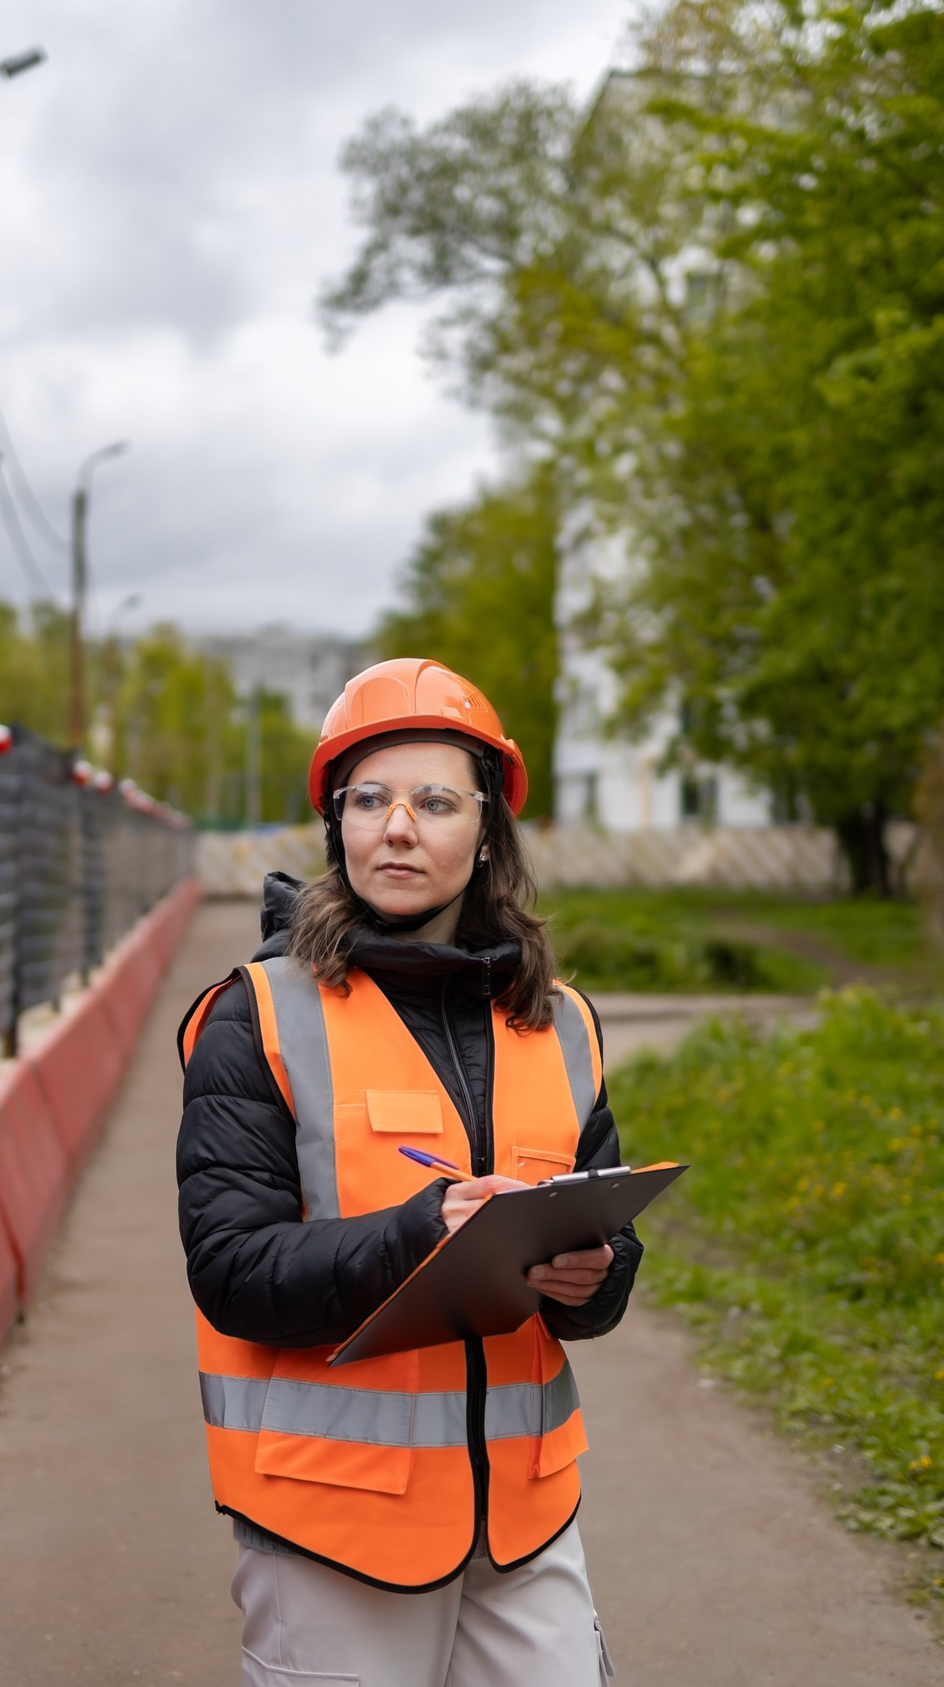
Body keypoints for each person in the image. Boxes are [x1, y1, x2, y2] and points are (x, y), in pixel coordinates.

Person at [176, 658, 641, 1687]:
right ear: (337, 826)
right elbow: (231, 1268)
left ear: (487, 834)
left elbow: (604, 1259)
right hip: (334, 1526)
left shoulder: (561, 1022)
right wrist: (421, 1233)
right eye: (370, 800)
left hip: (522, 1519)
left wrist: (594, 1277)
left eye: (435, 801)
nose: (398, 826)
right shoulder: (260, 1014)